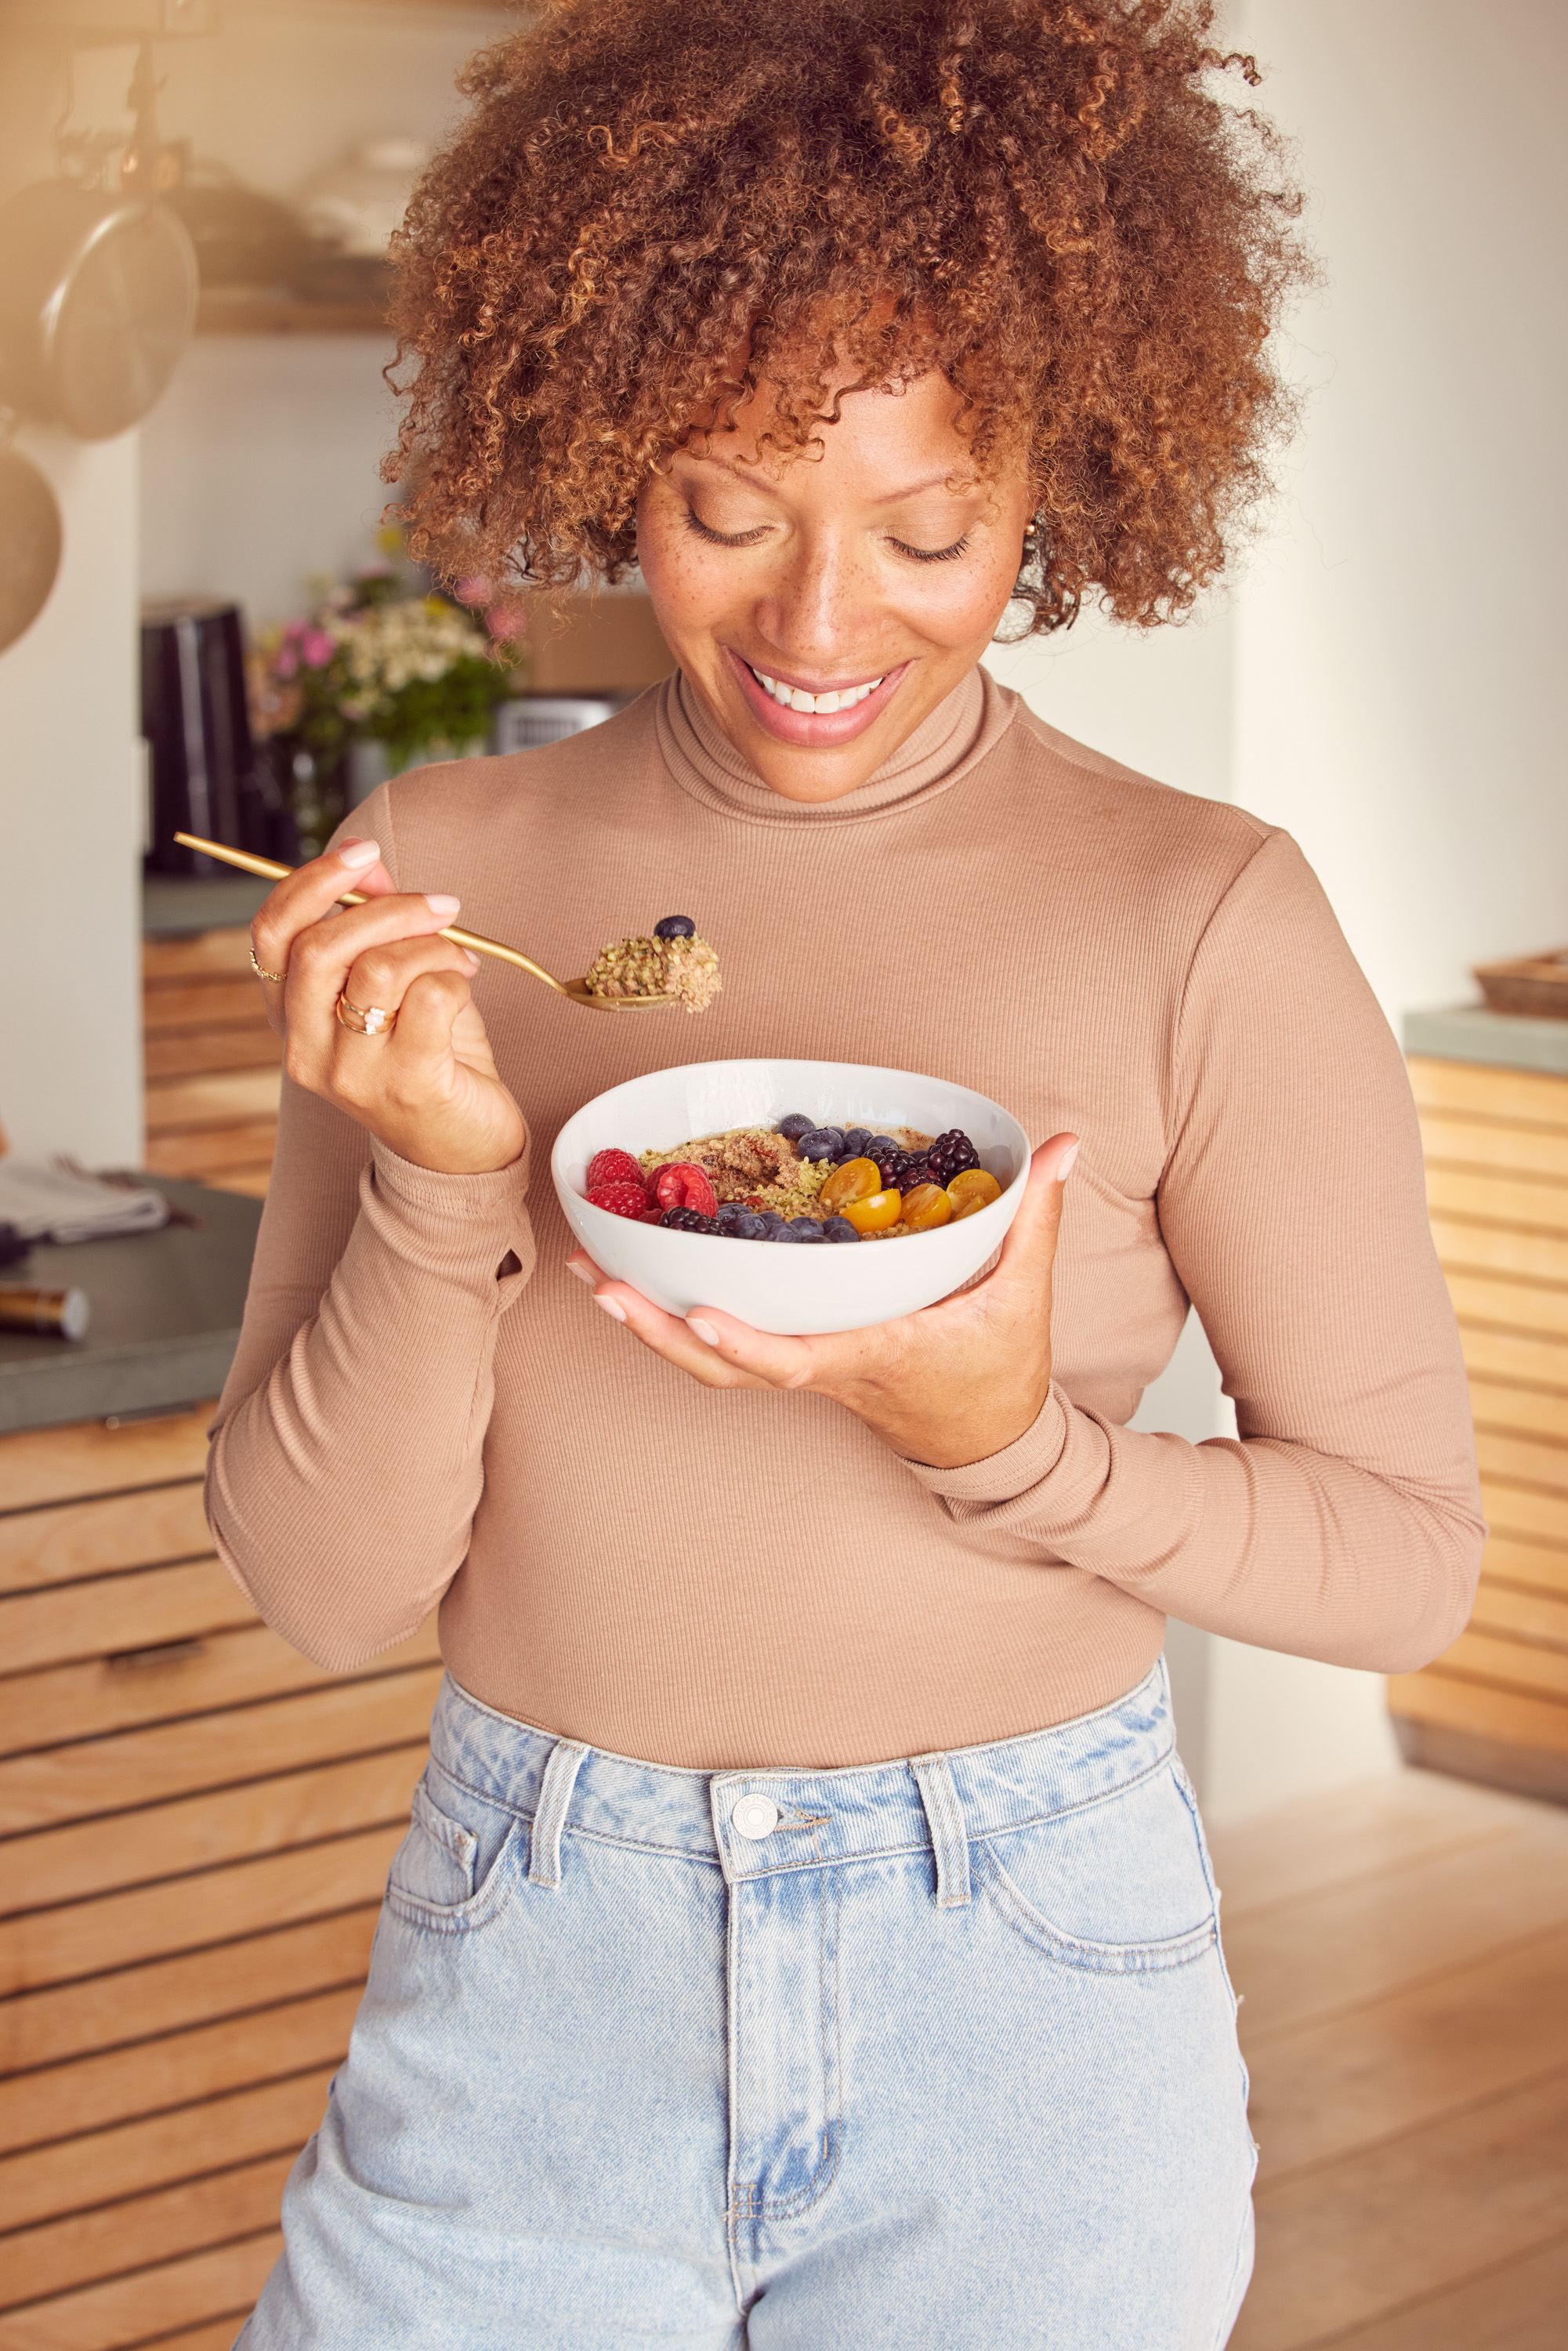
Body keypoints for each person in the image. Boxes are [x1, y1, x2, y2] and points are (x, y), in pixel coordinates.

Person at [216, 3, 1483, 2343]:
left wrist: (1009, 1451)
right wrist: (436, 1187)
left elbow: (1403, 1569)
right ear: (609, 450)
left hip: (1018, 1981)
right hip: (532, 1961)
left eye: (928, 530)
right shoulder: (440, 874)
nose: (819, 630)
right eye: (727, 511)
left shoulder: (1199, 908)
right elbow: (318, 1590)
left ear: (1064, 476)